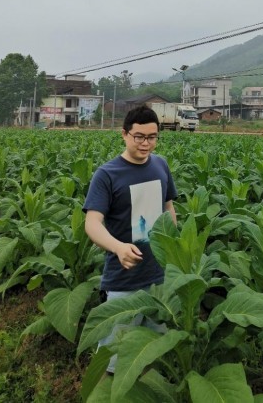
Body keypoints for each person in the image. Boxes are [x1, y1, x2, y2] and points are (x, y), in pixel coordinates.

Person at [83, 104, 177, 373]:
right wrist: (118, 247)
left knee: (155, 359)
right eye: (139, 137)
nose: (146, 143)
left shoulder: (161, 165)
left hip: (159, 279)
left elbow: (168, 206)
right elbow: (92, 222)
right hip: (124, 281)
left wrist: (173, 243)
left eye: (152, 137)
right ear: (124, 134)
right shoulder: (107, 175)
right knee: (115, 363)